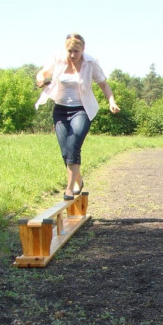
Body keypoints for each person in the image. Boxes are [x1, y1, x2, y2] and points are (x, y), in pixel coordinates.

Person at [35, 33, 120, 200]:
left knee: (73, 144)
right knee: (66, 151)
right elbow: (42, 73)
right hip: (60, 110)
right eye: (70, 51)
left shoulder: (90, 62)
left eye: (76, 51)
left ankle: (69, 188)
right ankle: (78, 180)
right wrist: (41, 80)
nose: (73, 55)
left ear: (83, 49)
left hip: (82, 110)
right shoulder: (58, 58)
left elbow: (103, 84)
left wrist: (111, 101)